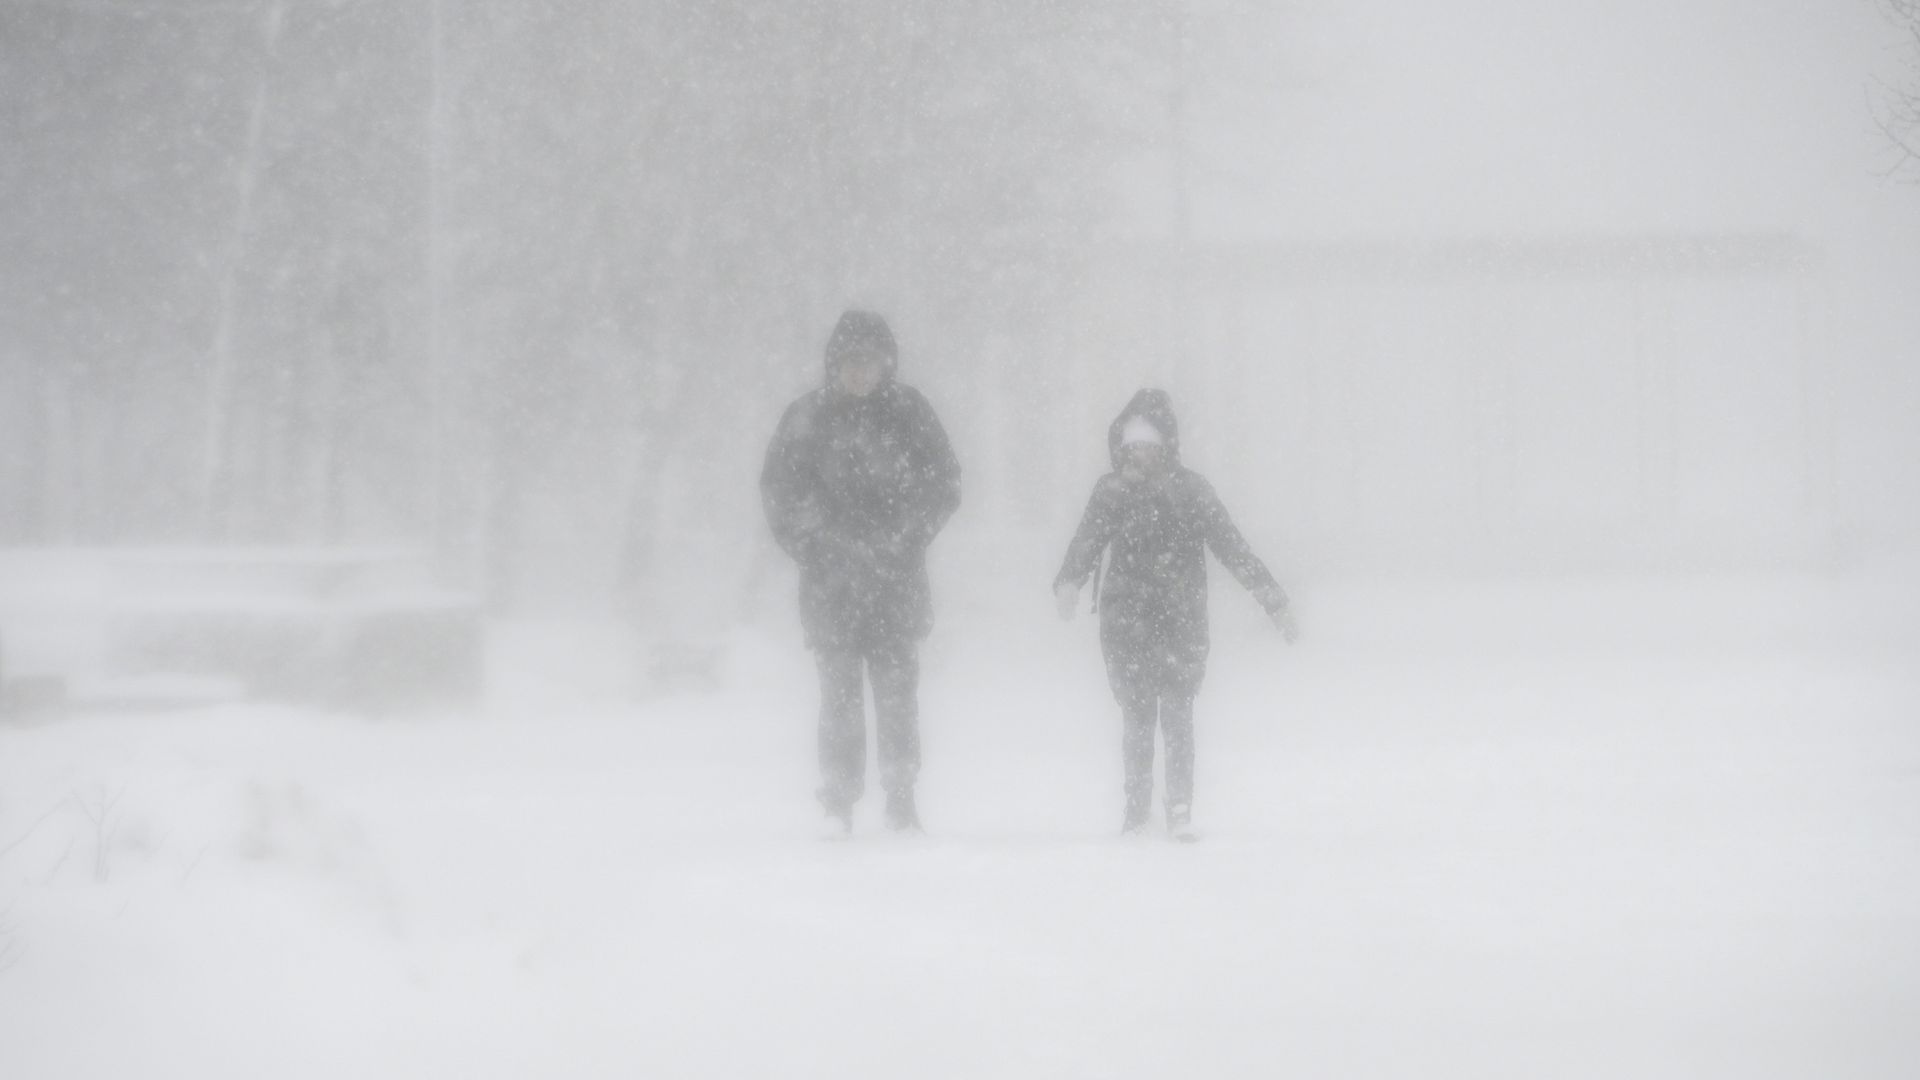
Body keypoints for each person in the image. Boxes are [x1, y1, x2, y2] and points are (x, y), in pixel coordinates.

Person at [1053, 388, 1297, 840]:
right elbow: (1086, 540)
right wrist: (1069, 580)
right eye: (1131, 441)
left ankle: (1180, 805)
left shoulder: (1192, 492)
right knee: (1137, 715)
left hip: (1180, 619)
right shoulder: (1111, 492)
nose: (1138, 450)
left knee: (1179, 714)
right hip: (1126, 621)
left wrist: (1272, 599)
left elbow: (1233, 548)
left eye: (1147, 440)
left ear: (1166, 443)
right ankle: (1136, 809)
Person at [761, 310, 962, 836]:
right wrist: (819, 545)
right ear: (834, 364)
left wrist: (906, 536)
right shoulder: (806, 418)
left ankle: (901, 797)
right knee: (840, 698)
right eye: (850, 362)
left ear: (885, 364)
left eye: (869, 362)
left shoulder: (910, 413)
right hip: (832, 589)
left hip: (896, 585)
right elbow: (781, 492)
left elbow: (944, 481)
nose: (859, 373)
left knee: (898, 695)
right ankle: (838, 801)